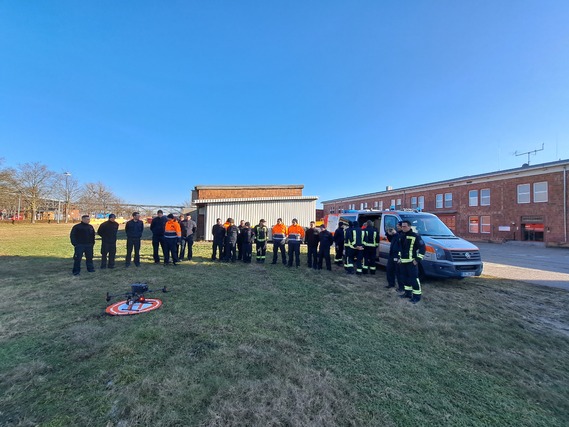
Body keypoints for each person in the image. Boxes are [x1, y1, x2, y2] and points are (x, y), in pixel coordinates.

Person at [398, 220, 426, 304]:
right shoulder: (401, 235)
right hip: (403, 261)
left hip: (411, 262)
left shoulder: (415, 236)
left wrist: (417, 259)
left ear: (409, 227)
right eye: (402, 226)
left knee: (414, 279)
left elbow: (422, 248)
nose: (403, 228)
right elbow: (400, 248)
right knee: (405, 278)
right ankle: (407, 293)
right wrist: (399, 258)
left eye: (405, 226)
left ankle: (417, 296)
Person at [386, 222, 403, 290]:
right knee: (389, 269)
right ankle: (391, 284)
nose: (397, 227)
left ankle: (401, 287)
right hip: (392, 254)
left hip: (398, 255)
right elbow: (391, 239)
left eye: (398, 226)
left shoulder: (402, 234)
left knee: (398, 272)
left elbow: (400, 241)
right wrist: (388, 233)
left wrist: (395, 234)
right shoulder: (396, 234)